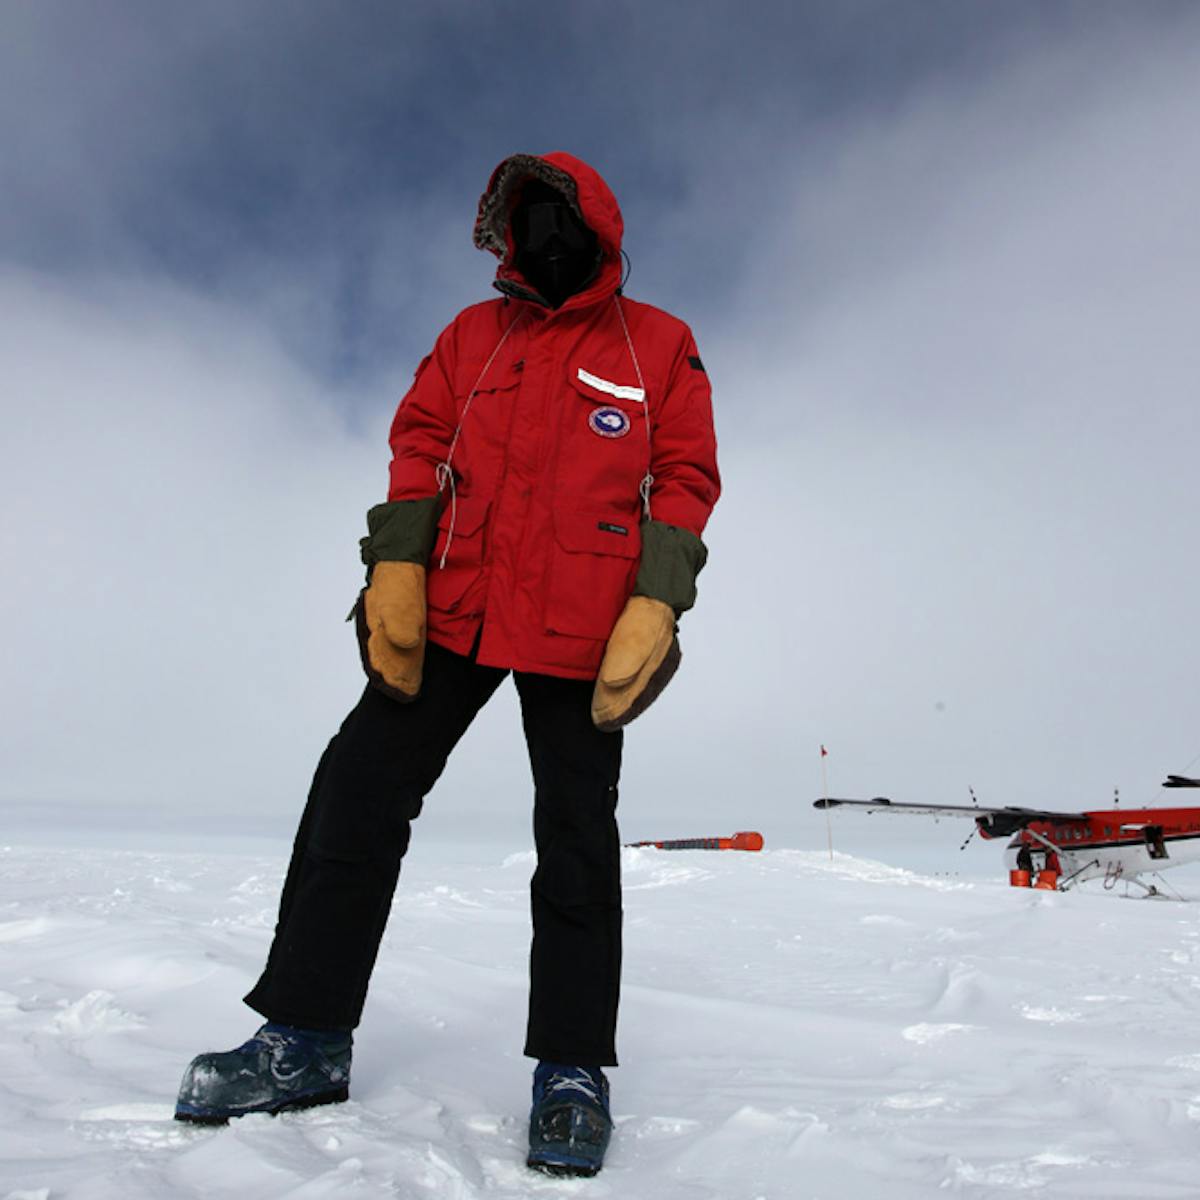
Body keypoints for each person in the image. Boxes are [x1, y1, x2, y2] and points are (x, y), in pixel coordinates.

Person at [174, 151, 720, 1178]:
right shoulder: (473, 337)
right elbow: (420, 440)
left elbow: (685, 471)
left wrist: (658, 593)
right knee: (355, 792)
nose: (541, 233)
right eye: (526, 216)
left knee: (575, 837)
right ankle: (304, 1037)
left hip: (581, 630)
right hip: (457, 607)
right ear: (503, 233)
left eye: (559, 215)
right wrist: (396, 567)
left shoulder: (659, 345)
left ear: (599, 229)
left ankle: (570, 1073)